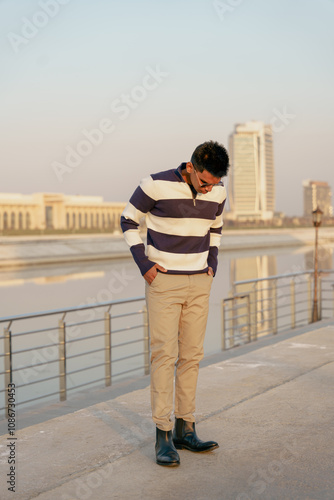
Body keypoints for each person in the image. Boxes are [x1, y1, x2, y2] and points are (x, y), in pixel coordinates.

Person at [121, 140, 229, 466]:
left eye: (215, 182)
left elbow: (216, 228)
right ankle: (163, 434)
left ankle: (186, 428)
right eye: (205, 182)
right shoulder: (154, 184)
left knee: (193, 356)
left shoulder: (219, 192)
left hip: (200, 282)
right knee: (164, 355)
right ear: (191, 168)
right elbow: (128, 220)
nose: (210, 188)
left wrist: (212, 262)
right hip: (163, 282)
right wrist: (145, 265)